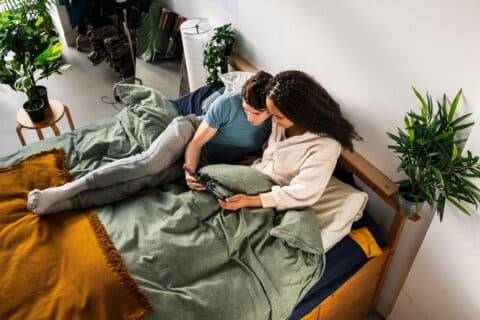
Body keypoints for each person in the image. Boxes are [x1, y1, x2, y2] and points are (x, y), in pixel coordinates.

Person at [27, 71, 273, 215]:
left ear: (270, 109)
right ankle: (65, 190)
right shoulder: (228, 103)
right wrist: (190, 170)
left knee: (144, 182)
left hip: (207, 161)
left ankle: (69, 204)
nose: (250, 117)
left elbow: (270, 152)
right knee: (147, 166)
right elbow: (197, 142)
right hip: (189, 134)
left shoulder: (275, 124)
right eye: (246, 109)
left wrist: (257, 159)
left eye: (256, 114)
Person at [217, 70, 362, 212]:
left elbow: (302, 193)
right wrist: (261, 159)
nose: (273, 120)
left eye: (278, 117)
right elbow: (278, 154)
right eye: (272, 114)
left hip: (269, 194)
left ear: (300, 113)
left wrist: (249, 201)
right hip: (255, 172)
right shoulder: (281, 121)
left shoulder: (325, 147)